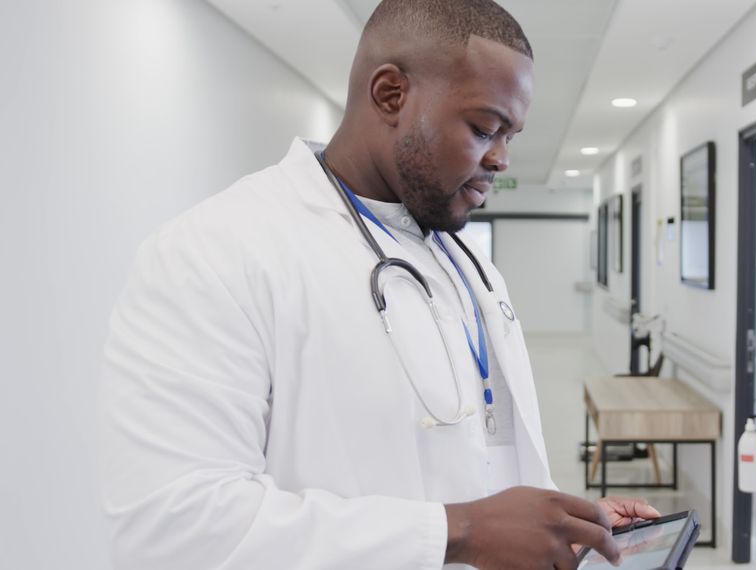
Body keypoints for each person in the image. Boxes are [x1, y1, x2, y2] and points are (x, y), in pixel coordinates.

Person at [97, 0, 659, 568]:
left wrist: (565, 528)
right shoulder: (216, 253)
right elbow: (169, 526)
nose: (501, 159)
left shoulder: (471, 267)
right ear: (390, 94)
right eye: (485, 128)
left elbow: (479, 456)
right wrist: (455, 532)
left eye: (510, 135)